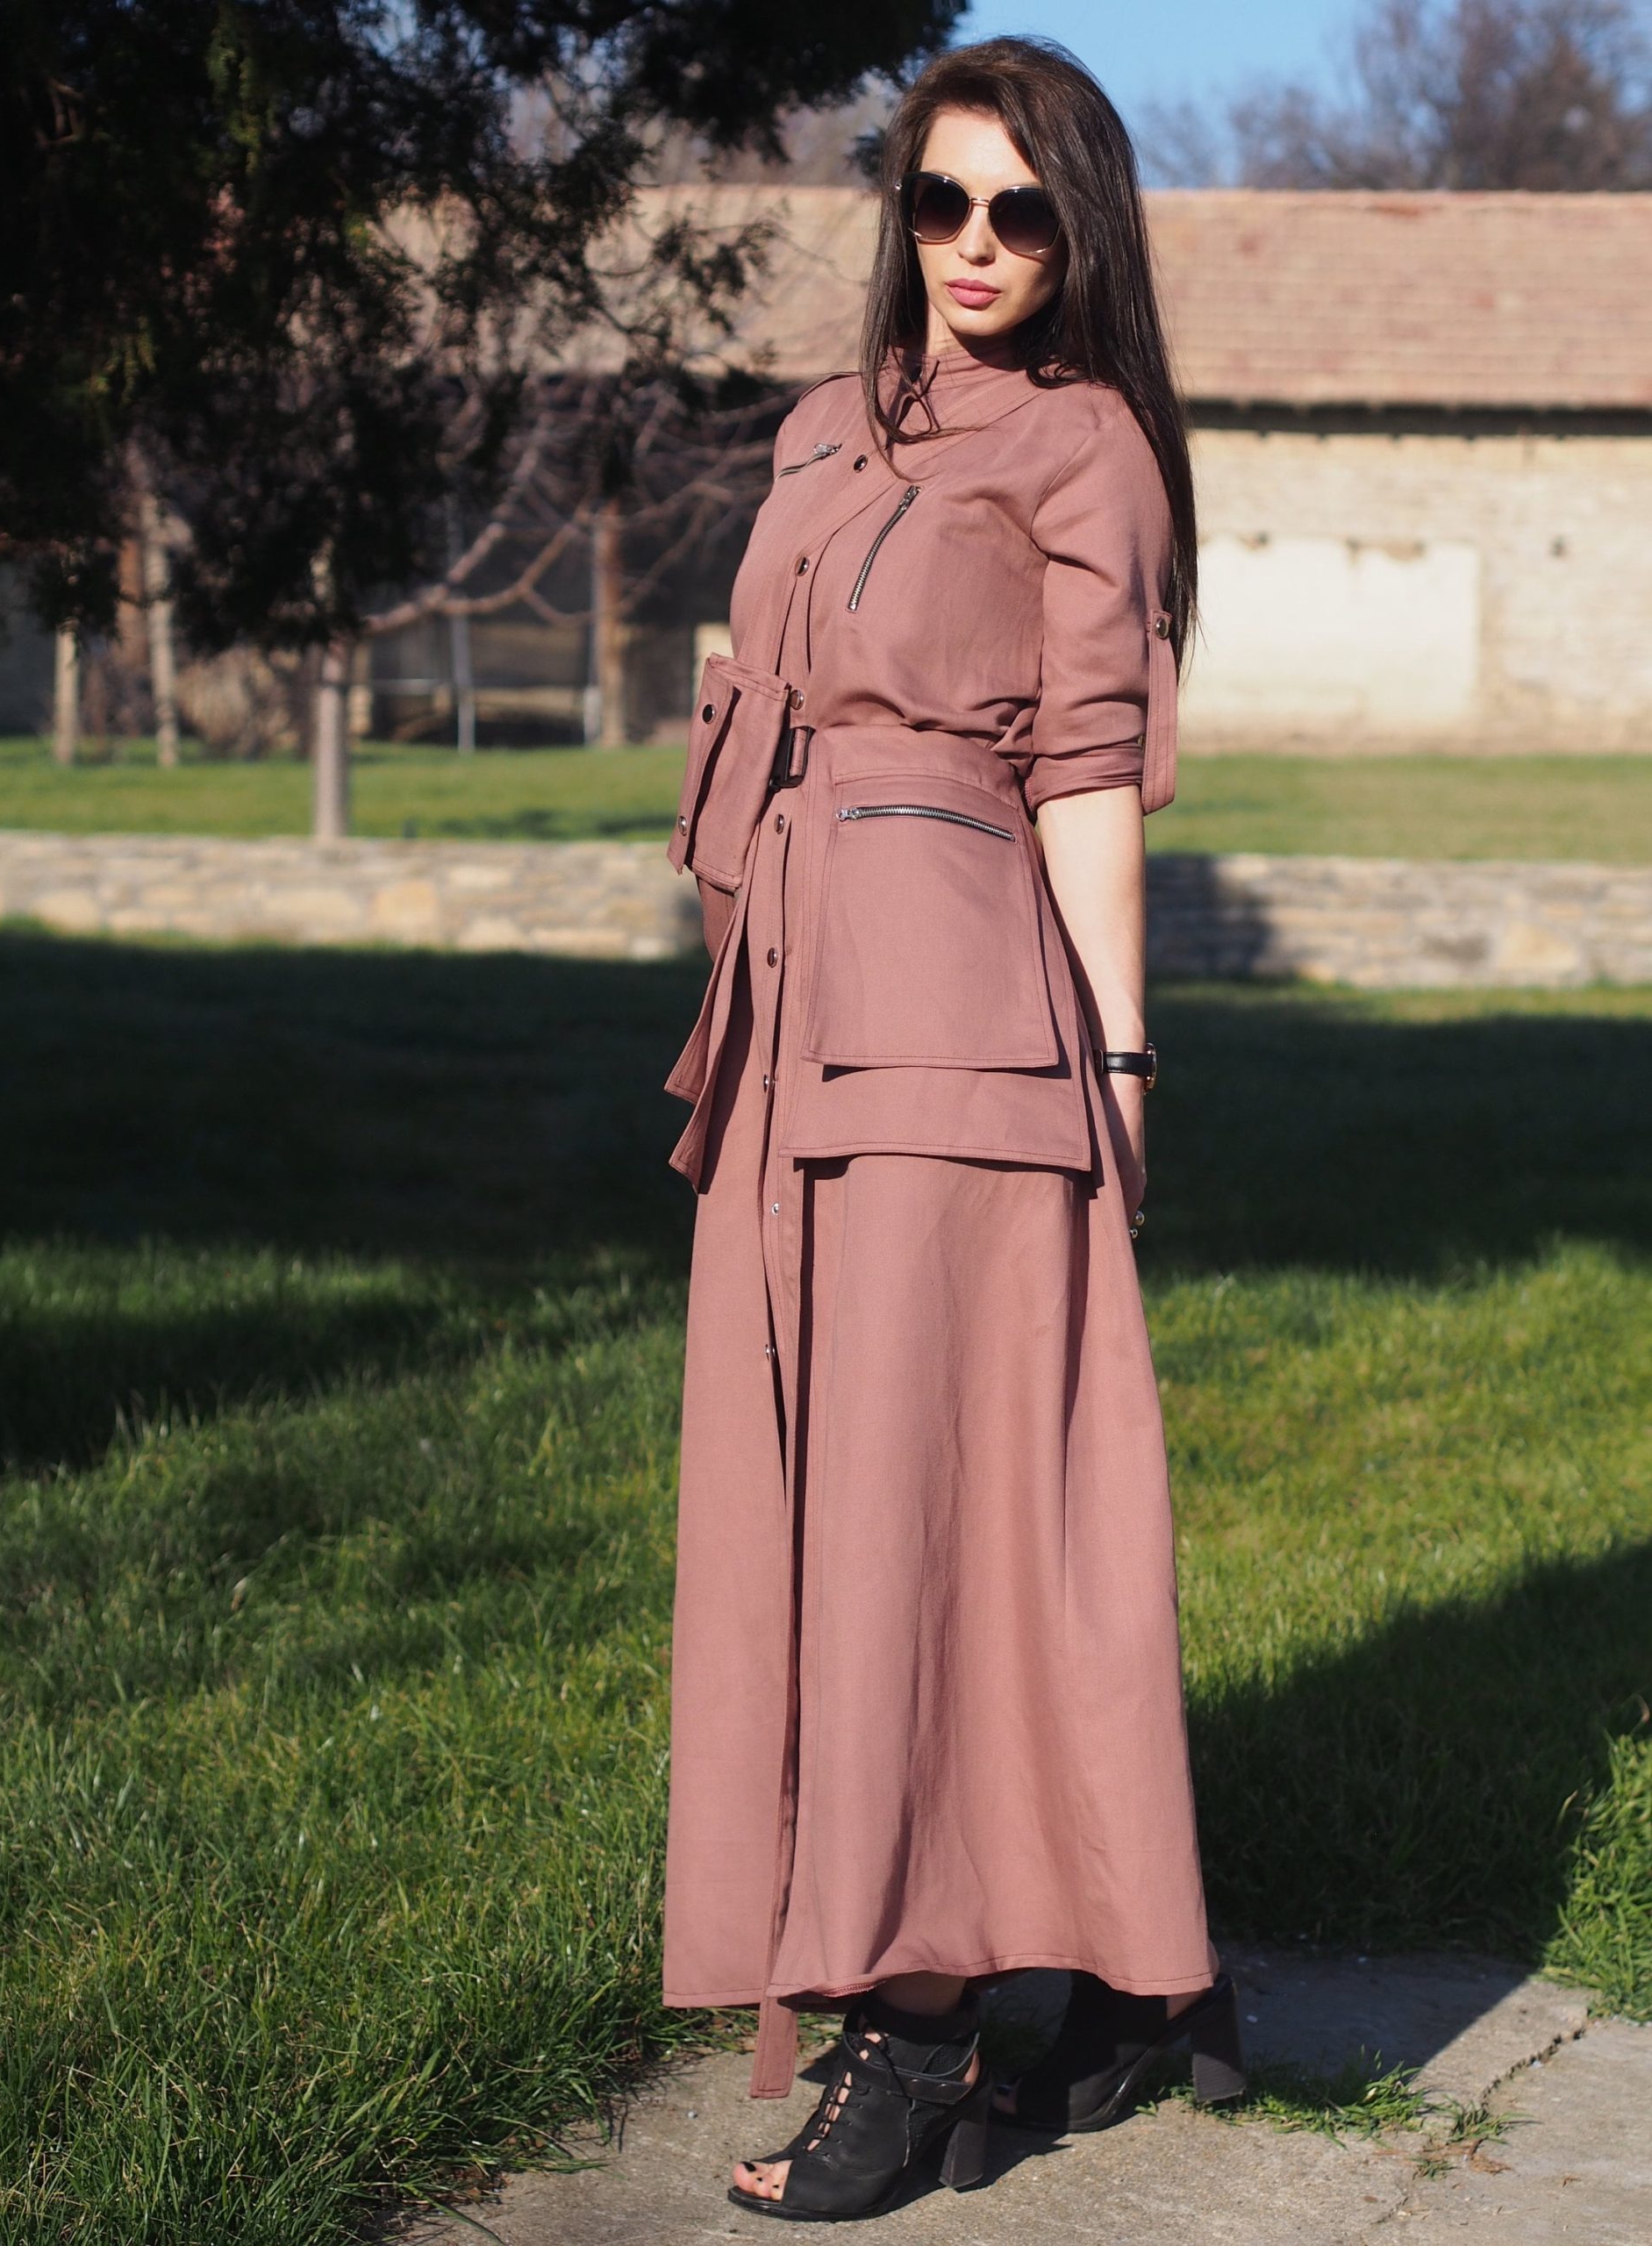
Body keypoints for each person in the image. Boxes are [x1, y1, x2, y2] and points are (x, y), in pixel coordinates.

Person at [659, 35, 1245, 2224]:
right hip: (792, 1016)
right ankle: (1105, 1979)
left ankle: (915, 2039)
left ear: (1079, 235)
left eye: (1021, 211)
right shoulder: (824, 428)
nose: (976, 245)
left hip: (958, 1039)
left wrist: (1122, 1068)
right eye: (939, 199)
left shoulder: (1087, 449)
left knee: (926, 1515)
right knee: (822, 1511)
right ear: (895, 208)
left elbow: (1085, 779)